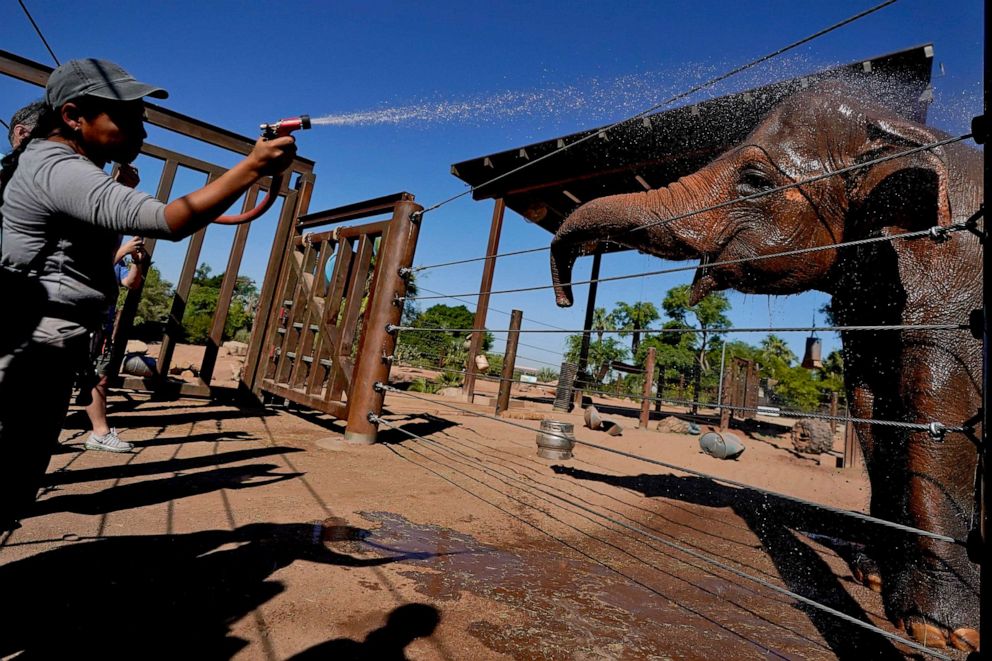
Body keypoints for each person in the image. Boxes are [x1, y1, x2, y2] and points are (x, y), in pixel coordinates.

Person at [0, 58, 296, 531]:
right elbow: (169, 220)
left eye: (144, 117)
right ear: (74, 116)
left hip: (44, 347)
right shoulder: (57, 168)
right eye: (128, 117)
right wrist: (254, 166)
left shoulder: (62, 166)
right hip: (29, 352)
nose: (142, 130)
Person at [81, 234, 147, 452]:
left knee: (99, 379)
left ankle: (99, 434)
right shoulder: (87, 256)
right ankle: (99, 434)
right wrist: (123, 253)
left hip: (100, 329)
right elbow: (90, 276)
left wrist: (136, 260)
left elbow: (131, 283)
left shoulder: (115, 262)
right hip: (82, 326)